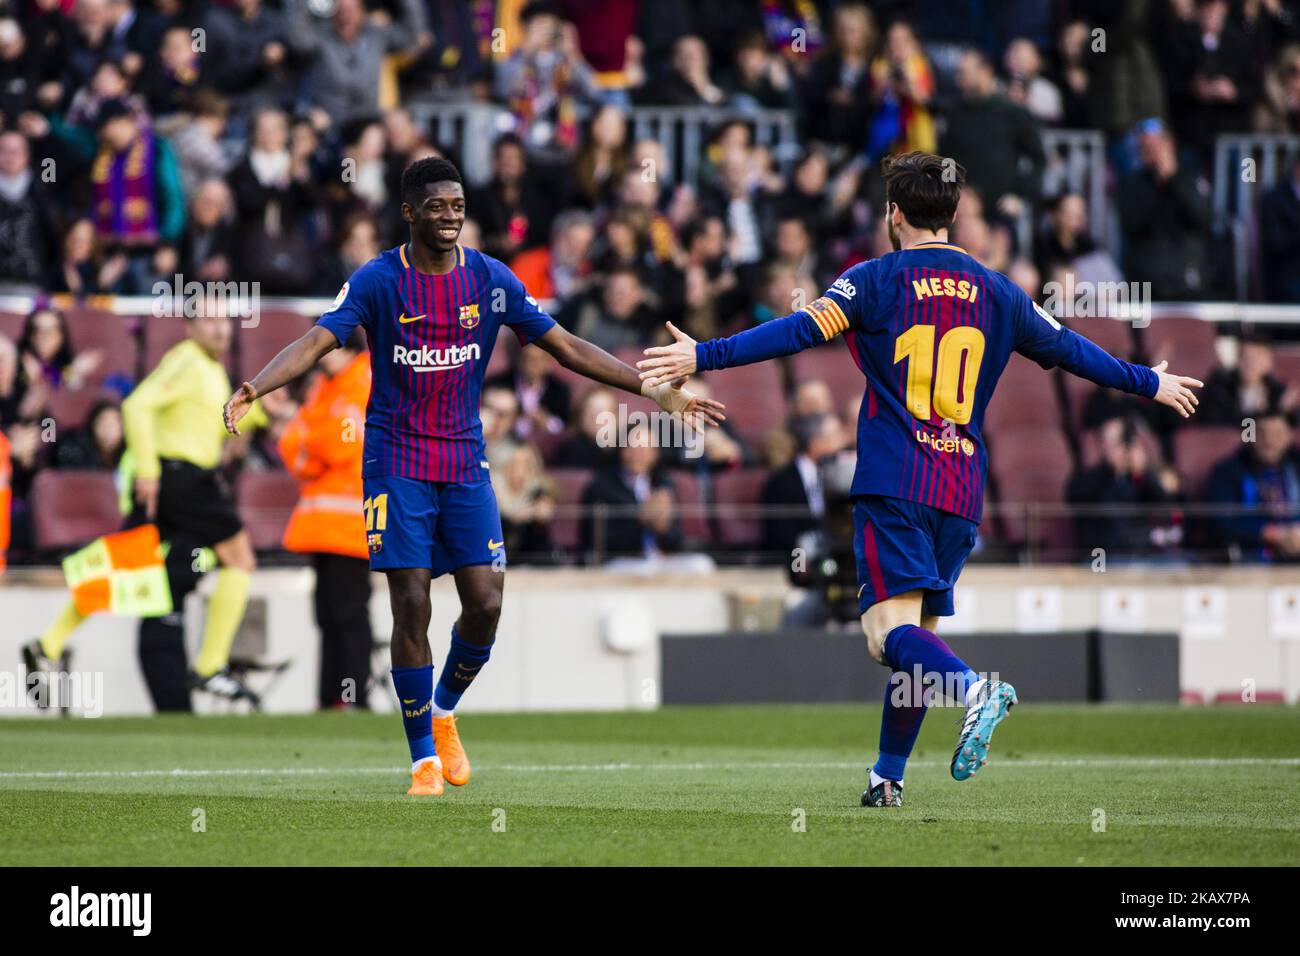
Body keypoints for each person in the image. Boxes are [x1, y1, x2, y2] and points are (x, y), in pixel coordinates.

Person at [638, 151, 1203, 808]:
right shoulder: (997, 290)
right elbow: (1072, 349)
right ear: (955, 215)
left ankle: (977, 691)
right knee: (917, 641)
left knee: (886, 635)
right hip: (961, 490)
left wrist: (702, 355)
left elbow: (797, 332)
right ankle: (887, 778)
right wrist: (1149, 381)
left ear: (894, 214)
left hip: (897, 478)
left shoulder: (872, 280)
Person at [223, 157, 724, 797]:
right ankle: (422, 763)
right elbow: (320, 340)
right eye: (437, 206)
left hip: (463, 461)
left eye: (458, 205)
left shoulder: (491, 280)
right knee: (411, 603)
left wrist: (657, 393)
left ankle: (444, 709)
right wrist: (255, 387)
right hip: (395, 462)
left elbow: (567, 346)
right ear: (409, 212)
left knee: (485, 601)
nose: (451, 216)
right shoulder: (378, 281)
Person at [24, 306, 268, 710]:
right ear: (189, 327)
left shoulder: (210, 369)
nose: (220, 328)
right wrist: (149, 472)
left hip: (178, 481)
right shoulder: (187, 359)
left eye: (224, 320)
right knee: (239, 558)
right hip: (183, 478)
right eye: (209, 320)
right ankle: (209, 666)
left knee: (123, 560)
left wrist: (261, 414)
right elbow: (136, 405)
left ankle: (48, 644)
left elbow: (214, 413)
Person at [277, 332, 375, 710]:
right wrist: (313, 444)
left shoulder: (363, 379)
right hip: (323, 526)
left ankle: (352, 699)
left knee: (350, 617)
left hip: (351, 526)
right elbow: (292, 444)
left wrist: (311, 443)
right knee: (328, 617)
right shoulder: (326, 385)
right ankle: (330, 700)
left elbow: (339, 442)